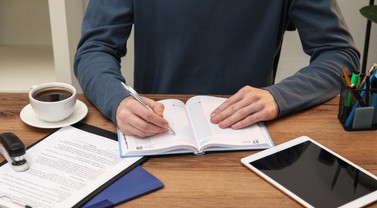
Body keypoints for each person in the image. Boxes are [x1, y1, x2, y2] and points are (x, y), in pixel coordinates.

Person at [74, 0, 360, 137]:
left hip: (249, 135)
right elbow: (94, 49)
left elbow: (339, 55)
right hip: (156, 133)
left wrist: (279, 97)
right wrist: (119, 101)